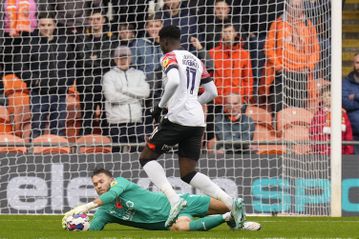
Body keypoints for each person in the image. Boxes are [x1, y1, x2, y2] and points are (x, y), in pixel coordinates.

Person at [137, 25, 245, 229]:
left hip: (177, 118)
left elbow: (174, 82)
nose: (160, 46)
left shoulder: (169, 56)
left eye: (160, 42)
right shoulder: (195, 60)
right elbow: (212, 92)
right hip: (196, 121)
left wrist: (159, 107)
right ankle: (231, 202)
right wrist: (195, 102)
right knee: (187, 172)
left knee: (146, 157)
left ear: (164, 41)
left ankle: (174, 200)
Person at [63, 168, 261, 232]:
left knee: (225, 202)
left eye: (101, 182)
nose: (98, 186)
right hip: (169, 220)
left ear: (111, 180)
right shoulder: (104, 211)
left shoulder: (120, 184)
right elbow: (93, 230)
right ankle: (227, 218)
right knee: (181, 228)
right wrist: (76, 225)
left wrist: (86, 205)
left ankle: (238, 222)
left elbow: (112, 195)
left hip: (178, 202)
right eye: (95, 184)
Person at [21, 13, 75, 139]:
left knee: (59, 129)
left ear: (55, 25)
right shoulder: (31, 43)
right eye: (43, 25)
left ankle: (60, 155)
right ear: (38, 26)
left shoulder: (64, 43)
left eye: (49, 25)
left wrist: (66, 82)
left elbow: (72, 64)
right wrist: (34, 81)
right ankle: (33, 156)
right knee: (37, 128)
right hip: (38, 94)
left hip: (60, 93)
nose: (46, 28)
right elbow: (21, 66)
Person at [260, 0, 320, 113]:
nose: (295, 8)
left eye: (298, 6)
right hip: (281, 73)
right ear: (287, 7)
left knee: (298, 109)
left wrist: (308, 66)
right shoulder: (277, 23)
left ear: (302, 8)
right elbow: (268, 47)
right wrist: (278, 66)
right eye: (292, 6)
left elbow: (315, 50)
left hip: (301, 73)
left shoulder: (308, 24)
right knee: (279, 109)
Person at [103, 46, 150, 152]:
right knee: (117, 153)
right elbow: (111, 97)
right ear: (115, 59)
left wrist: (123, 89)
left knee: (138, 152)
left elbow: (146, 92)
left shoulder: (139, 74)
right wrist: (135, 97)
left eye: (126, 57)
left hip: (136, 120)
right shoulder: (109, 76)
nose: (123, 60)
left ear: (130, 58)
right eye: (120, 57)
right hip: (116, 122)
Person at [75, 8, 113, 136]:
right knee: (86, 117)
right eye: (91, 19)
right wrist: (100, 60)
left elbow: (110, 60)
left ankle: (109, 146)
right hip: (87, 85)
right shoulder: (82, 39)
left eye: (98, 19)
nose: (95, 22)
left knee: (106, 118)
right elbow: (82, 60)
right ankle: (83, 146)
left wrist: (94, 58)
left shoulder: (111, 39)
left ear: (103, 20)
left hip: (106, 84)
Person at [209, 23, 254, 105]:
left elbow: (247, 77)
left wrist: (247, 97)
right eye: (225, 32)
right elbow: (208, 76)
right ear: (221, 34)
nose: (227, 34)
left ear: (235, 33)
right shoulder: (212, 52)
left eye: (230, 31)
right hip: (218, 99)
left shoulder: (244, 54)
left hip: (237, 99)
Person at [310, 86, 354, 155]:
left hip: (341, 153)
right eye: (324, 96)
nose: (327, 98)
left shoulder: (342, 114)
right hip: (322, 154)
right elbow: (313, 133)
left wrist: (348, 152)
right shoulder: (318, 115)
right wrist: (318, 150)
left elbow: (348, 134)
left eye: (330, 95)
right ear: (321, 98)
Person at [342, 53, 359, 154]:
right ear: (353, 64)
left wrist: (356, 96)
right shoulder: (345, 83)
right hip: (353, 136)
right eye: (357, 62)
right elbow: (345, 103)